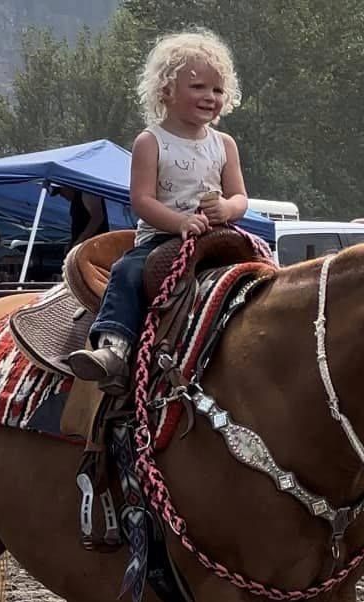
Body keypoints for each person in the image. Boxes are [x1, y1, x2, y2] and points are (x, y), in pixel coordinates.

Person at [67, 29, 249, 392]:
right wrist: (180, 221)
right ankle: (113, 349)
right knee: (127, 271)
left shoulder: (224, 144)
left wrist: (226, 208)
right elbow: (143, 201)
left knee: (259, 273)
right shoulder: (151, 142)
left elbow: (241, 197)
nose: (209, 97)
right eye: (198, 87)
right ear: (166, 89)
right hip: (162, 239)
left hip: (218, 237)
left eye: (216, 89)